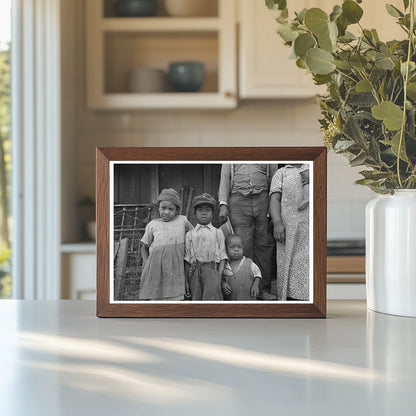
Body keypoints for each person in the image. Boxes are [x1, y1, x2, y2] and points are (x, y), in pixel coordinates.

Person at [217, 163, 277, 300]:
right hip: (238, 199)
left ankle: (262, 290)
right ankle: (243, 289)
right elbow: (225, 178)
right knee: (241, 245)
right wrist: (223, 204)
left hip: (263, 199)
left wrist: (275, 207)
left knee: (265, 245)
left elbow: (275, 179)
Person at [139, 188, 193, 301]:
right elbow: (144, 247)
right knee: (156, 297)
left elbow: (193, 236)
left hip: (176, 266)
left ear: (177, 210)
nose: (167, 212)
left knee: (175, 297)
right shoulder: (152, 225)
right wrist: (146, 263)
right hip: (156, 267)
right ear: (158, 208)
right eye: (163, 208)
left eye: (171, 209)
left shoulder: (183, 221)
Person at [269, 164, 310, 301]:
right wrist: (277, 223)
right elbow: (275, 200)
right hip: (288, 227)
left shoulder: (312, 168)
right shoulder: (282, 172)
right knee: (288, 262)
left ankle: (307, 298)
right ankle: (290, 299)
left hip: (309, 224)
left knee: (306, 260)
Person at [185, 193, 228, 301]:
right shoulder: (190, 234)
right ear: (194, 213)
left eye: (208, 210)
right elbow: (187, 259)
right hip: (194, 271)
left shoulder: (218, 232)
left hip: (212, 271)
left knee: (212, 303)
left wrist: (218, 277)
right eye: (200, 210)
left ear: (213, 213)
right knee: (196, 304)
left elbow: (223, 257)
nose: (204, 213)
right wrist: (186, 281)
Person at [221, 234, 262, 301]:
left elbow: (258, 274)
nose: (236, 249)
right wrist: (223, 284)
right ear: (226, 249)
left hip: (248, 300)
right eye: (232, 247)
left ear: (243, 248)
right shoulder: (225, 266)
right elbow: (221, 279)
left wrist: (256, 285)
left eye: (239, 247)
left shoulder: (249, 262)